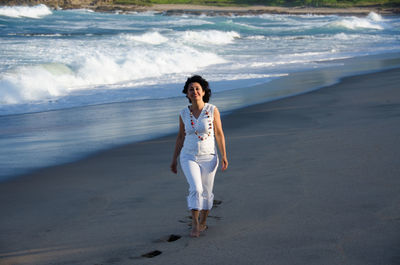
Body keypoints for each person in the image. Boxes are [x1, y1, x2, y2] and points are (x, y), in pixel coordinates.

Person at [170, 75, 228, 238]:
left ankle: (203, 222)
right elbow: (180, 136)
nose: (194, 91)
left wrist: (224, 155)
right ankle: (195, 224)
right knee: (196, 188)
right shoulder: (183, 113)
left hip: (209, 157)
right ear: (187, 94)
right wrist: (174, 159)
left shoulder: (212, 110)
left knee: (207, 192)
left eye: (197, 88)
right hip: (188, 156)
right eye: (191, 89)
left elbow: (218, 133)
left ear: (203, 92)